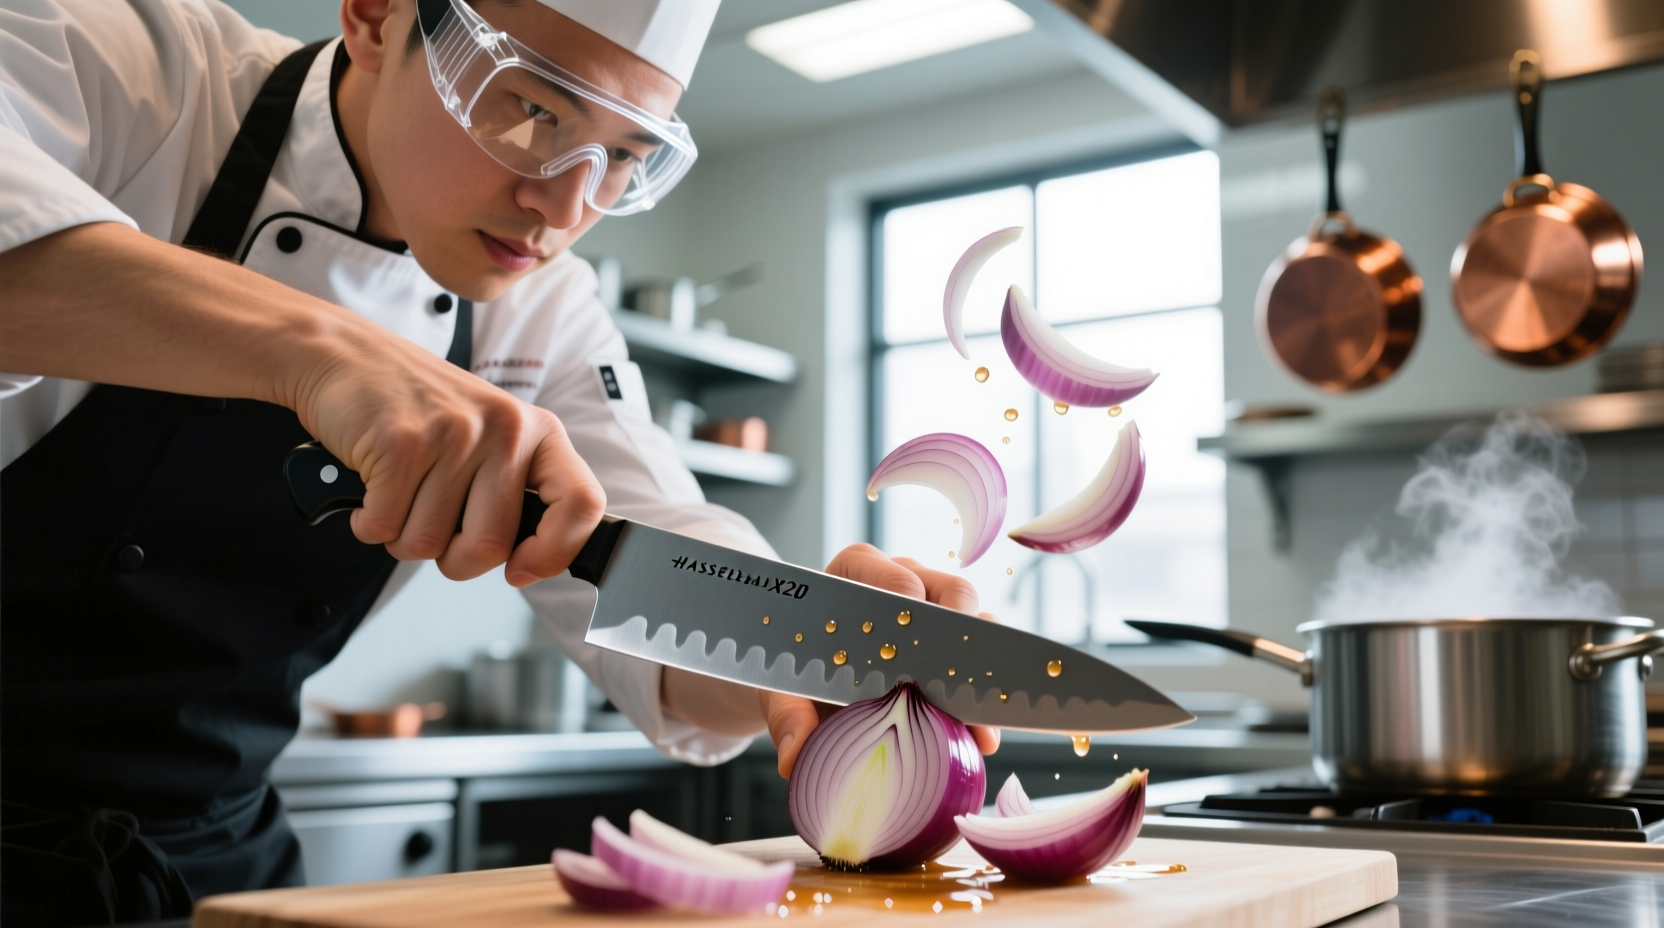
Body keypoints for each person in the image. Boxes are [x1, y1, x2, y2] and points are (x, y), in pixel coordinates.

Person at [0, 0, 999, 923]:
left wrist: (801, 631)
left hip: (214, 864)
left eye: (623, 158)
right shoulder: (123, 67)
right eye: (531, 109)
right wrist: (324, 353)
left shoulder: (544, 311)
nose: (562, 207)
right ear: (377, 16)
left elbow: (648, 543)